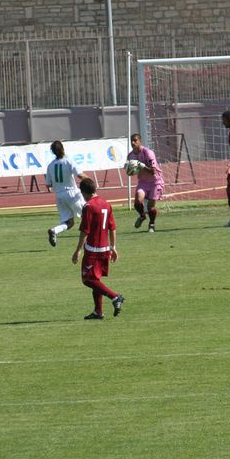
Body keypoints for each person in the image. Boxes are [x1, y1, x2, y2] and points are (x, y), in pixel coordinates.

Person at [72, 176, 124, 320]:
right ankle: (98, 312)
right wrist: (113, 247)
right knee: (96, 280)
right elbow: (112, 228)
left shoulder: (88, 206)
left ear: (83, 192)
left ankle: (115, 297)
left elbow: (85, 231)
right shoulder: (106, 204)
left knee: (87, 279)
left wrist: (78, 250)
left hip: (93, 250)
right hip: (105, 249)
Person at [44, 140, 86, 247]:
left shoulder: (50, 165)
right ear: (63, 149)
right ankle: (92, 239)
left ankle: (54, 230)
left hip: (59, 196)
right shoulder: (68, 161)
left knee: (69, 222)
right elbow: (80, 175)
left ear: (53, 152)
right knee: (87, 216)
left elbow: (48, 184)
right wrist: (91, 182)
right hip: (72, 193)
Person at [127, 132, 164, 232]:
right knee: (137, 202)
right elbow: (129, 173)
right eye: (131, 141)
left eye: (135, 140)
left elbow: (153, 171)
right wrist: (130, 169)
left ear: (140, 141)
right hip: (143, 182)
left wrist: (141, 165)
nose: (133, 142)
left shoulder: (148, 153)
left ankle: (151, 224)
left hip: (155, 181)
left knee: (151, 207)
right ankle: (142, 216)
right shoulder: (130, 156)